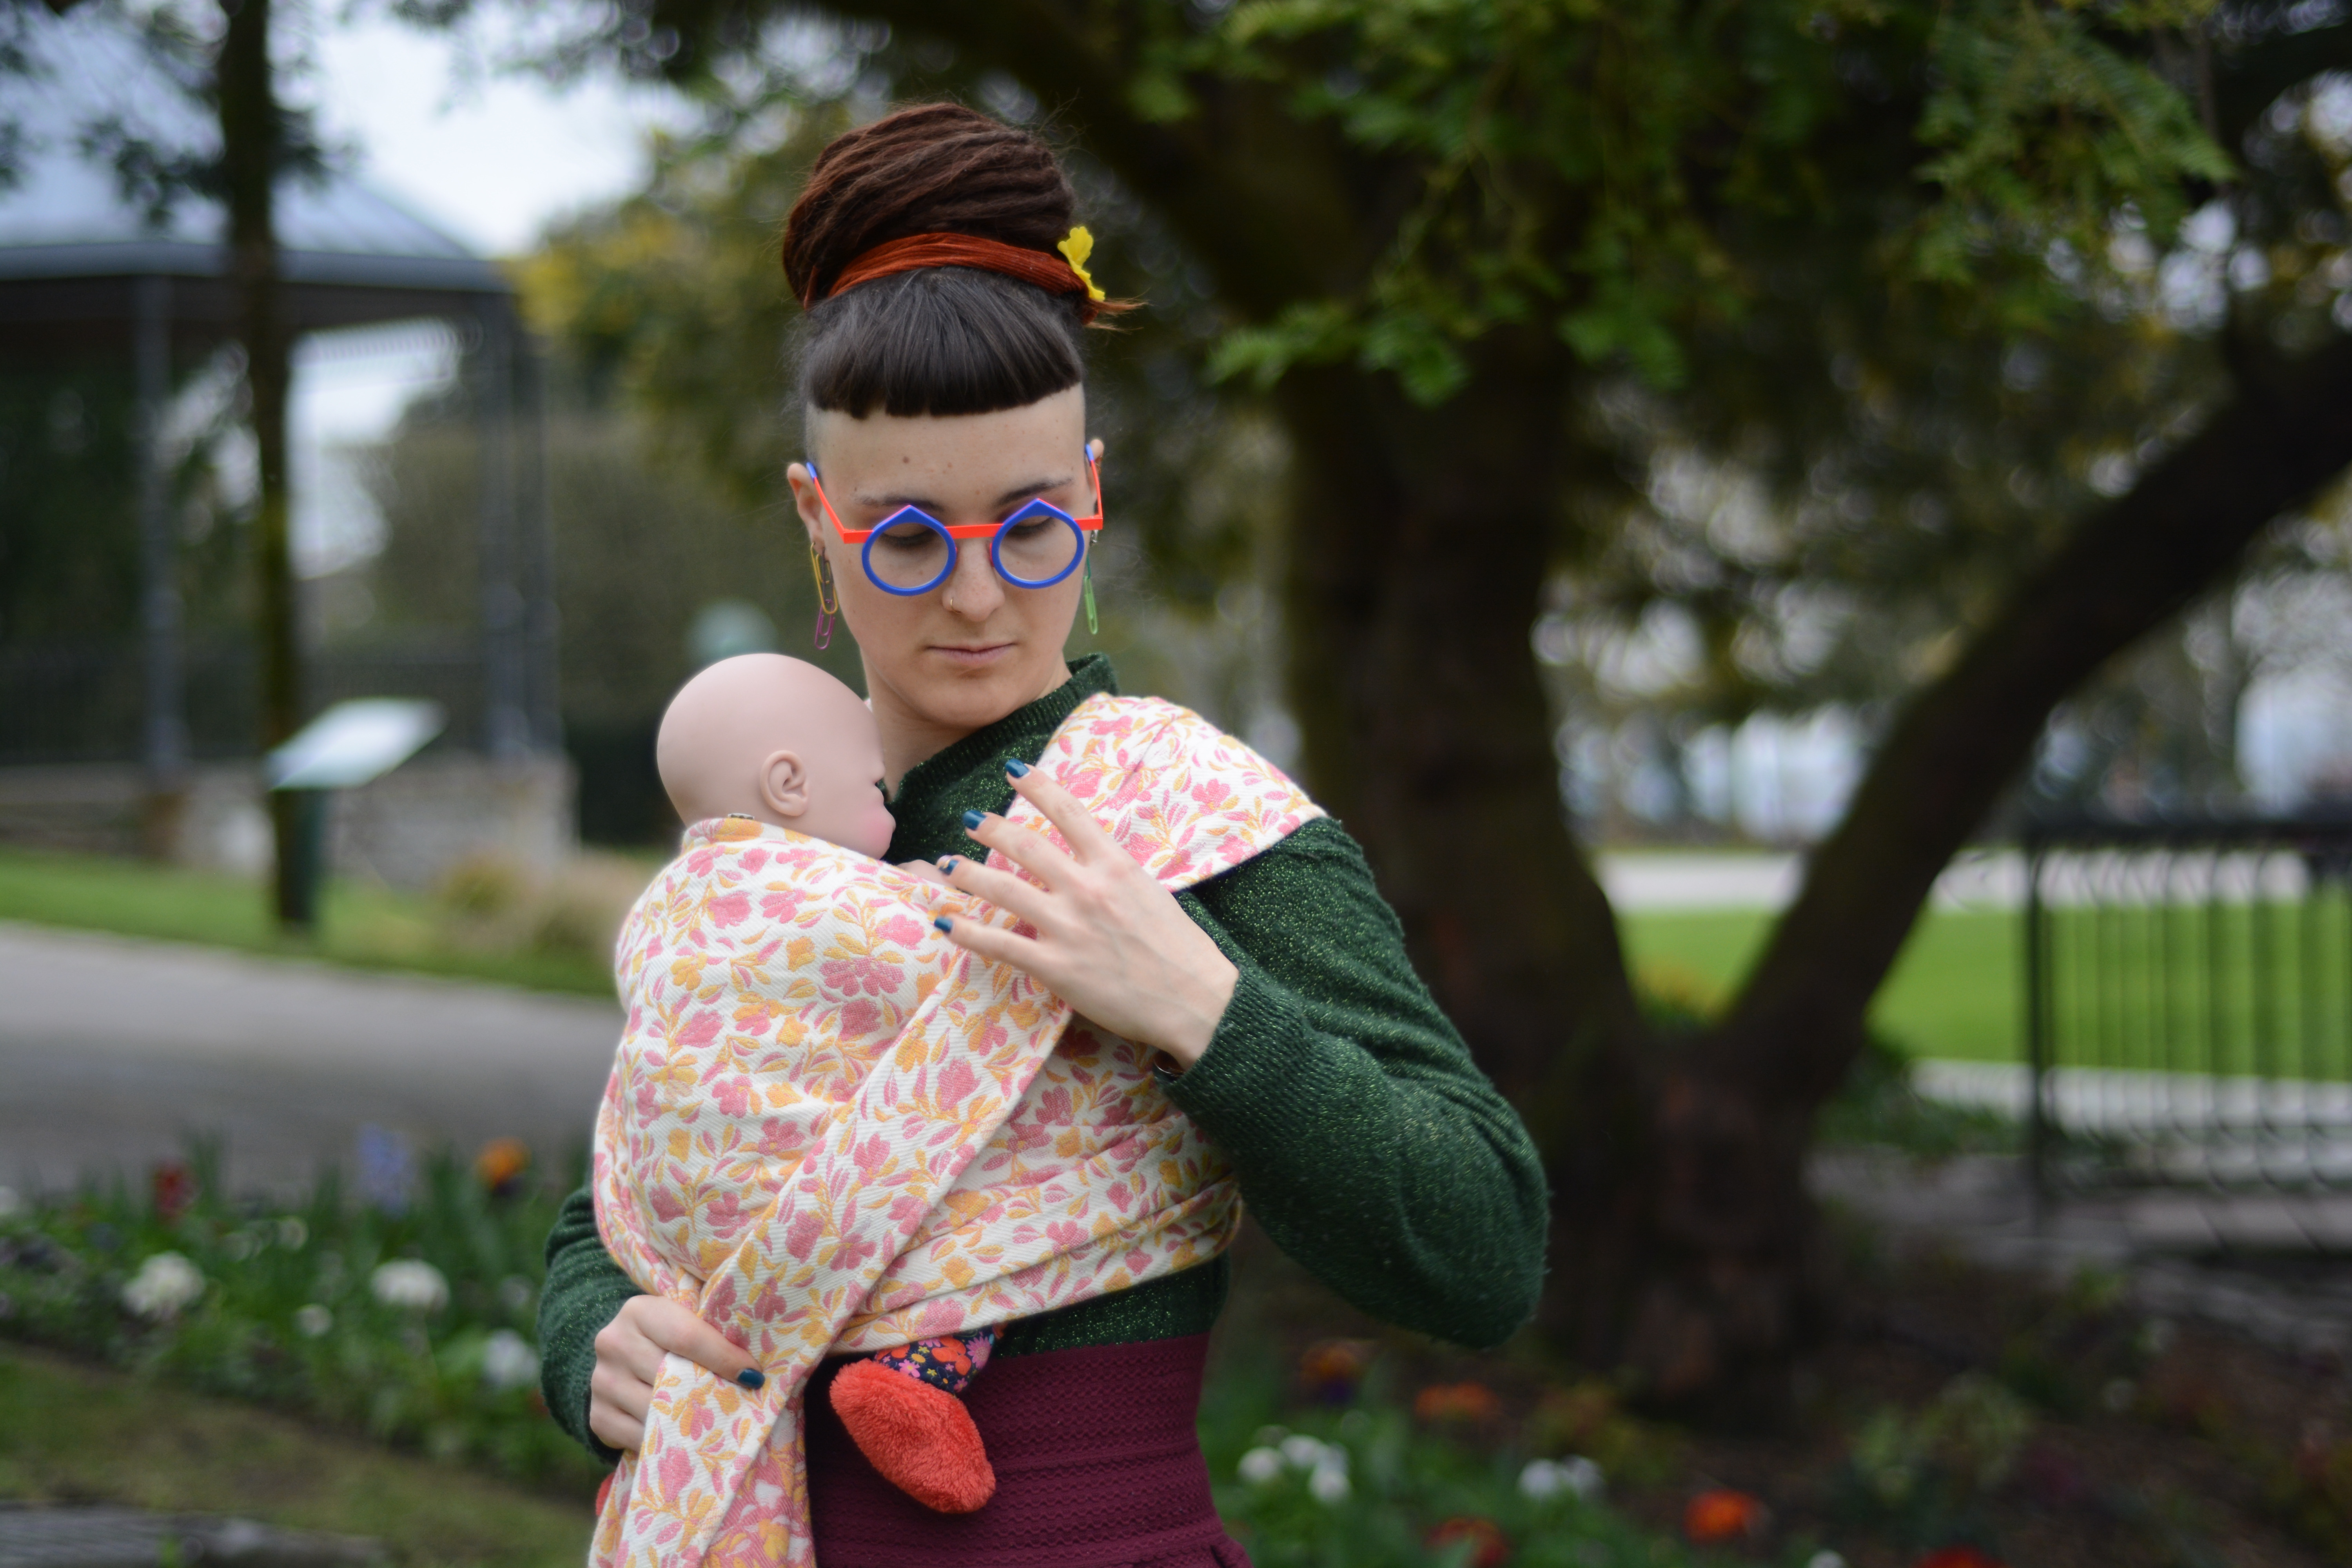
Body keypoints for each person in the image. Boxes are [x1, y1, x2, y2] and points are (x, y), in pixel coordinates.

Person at [539, 100, 1549, 1568]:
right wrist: (589, 1343)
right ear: (817, 525)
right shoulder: (772, 837)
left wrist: (1202, 1008)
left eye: (1028, 528)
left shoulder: (1194, 825)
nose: (974, 598)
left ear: (1090, 497)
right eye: (905, 537)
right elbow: (629, 1189)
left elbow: (1485, 1246)